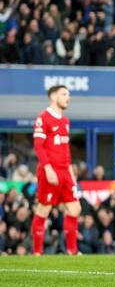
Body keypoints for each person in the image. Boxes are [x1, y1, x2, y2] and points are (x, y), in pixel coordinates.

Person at [31, 85, 81, 256]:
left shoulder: (65, 121)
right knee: (44, 209)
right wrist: (48, 169)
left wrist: (71, 173)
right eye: (64, 94)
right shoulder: (43, 118)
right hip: (49, 171)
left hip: (65, 171)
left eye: (69, 94)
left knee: (75, 209)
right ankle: (37, 253)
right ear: (53, 96)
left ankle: (72, 251)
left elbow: (65, 149)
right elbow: (38, 147)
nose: (68, 97)